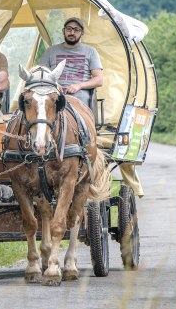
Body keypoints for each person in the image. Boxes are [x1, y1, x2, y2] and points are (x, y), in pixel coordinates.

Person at [39, 17, 144, 198]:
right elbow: (40, 75)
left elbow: (99, 79)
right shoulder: (51, 52)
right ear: (63, 31)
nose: (72, 32)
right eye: (69, 29)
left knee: (74, 105)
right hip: (54, 96)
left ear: (82, 34)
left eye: (76, 29)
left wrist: (78, 86)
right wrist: (54, 87)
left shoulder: (90, 52)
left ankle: (82, 149)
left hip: (79, 98)